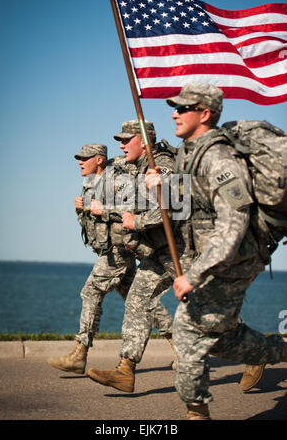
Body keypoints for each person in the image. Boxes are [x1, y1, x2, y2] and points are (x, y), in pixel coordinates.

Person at [145, 82, 287, 420]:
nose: (175, 113)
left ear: (205, 114)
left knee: (190, 328)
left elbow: (234, 225)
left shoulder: (220, 158)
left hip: (235, 258)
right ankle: (272, 351)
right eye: (175, 108)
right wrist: (159, 191)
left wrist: (193, 276)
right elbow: (184, 208)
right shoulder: (187, 153)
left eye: (183, 108)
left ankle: (198, 413)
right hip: (208, 257)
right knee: (218, 336)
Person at [46, 144, 175, 375]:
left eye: (84, 158)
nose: (80, 162)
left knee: (91, 291)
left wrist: (101, 209)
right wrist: (83, 208)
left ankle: (80, 353)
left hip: (121, 248)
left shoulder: (117, 180)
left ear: (98, 160)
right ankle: (180, 348)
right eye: (79, 158)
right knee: (141, 301)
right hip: (113, 248)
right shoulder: (93, 183)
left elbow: (133, 208)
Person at [87, 121, 192, 392]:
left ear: (143, 142)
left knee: (210, 308)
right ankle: (126, 369)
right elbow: (128, 206)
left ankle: (259, 352)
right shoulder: (135, 168)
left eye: (126, 140)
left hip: (181, 250)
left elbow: (174, 206)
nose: (120, 145)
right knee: (136, 301)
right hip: (157, 252)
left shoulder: (163, 164)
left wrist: (139, 223)